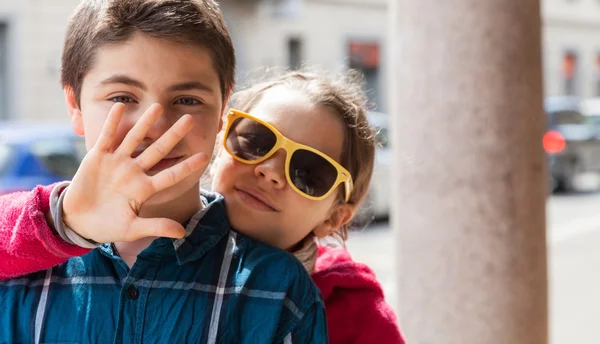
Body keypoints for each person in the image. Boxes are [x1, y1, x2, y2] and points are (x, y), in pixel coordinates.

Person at [0, 0, 327, 344]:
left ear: (223, 109)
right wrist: (67, 223)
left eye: (187, 99)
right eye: (122, 97)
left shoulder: (278, 290)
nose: (156, 126)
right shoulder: (20, 271)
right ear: (75, 106)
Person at [1, 71, 406, 343]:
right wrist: (64, 220)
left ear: (336, 216)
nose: (270, 171)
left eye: (310, 171)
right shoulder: (126, 238)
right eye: (255, 140)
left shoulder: (354, 311)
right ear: (220, 137)